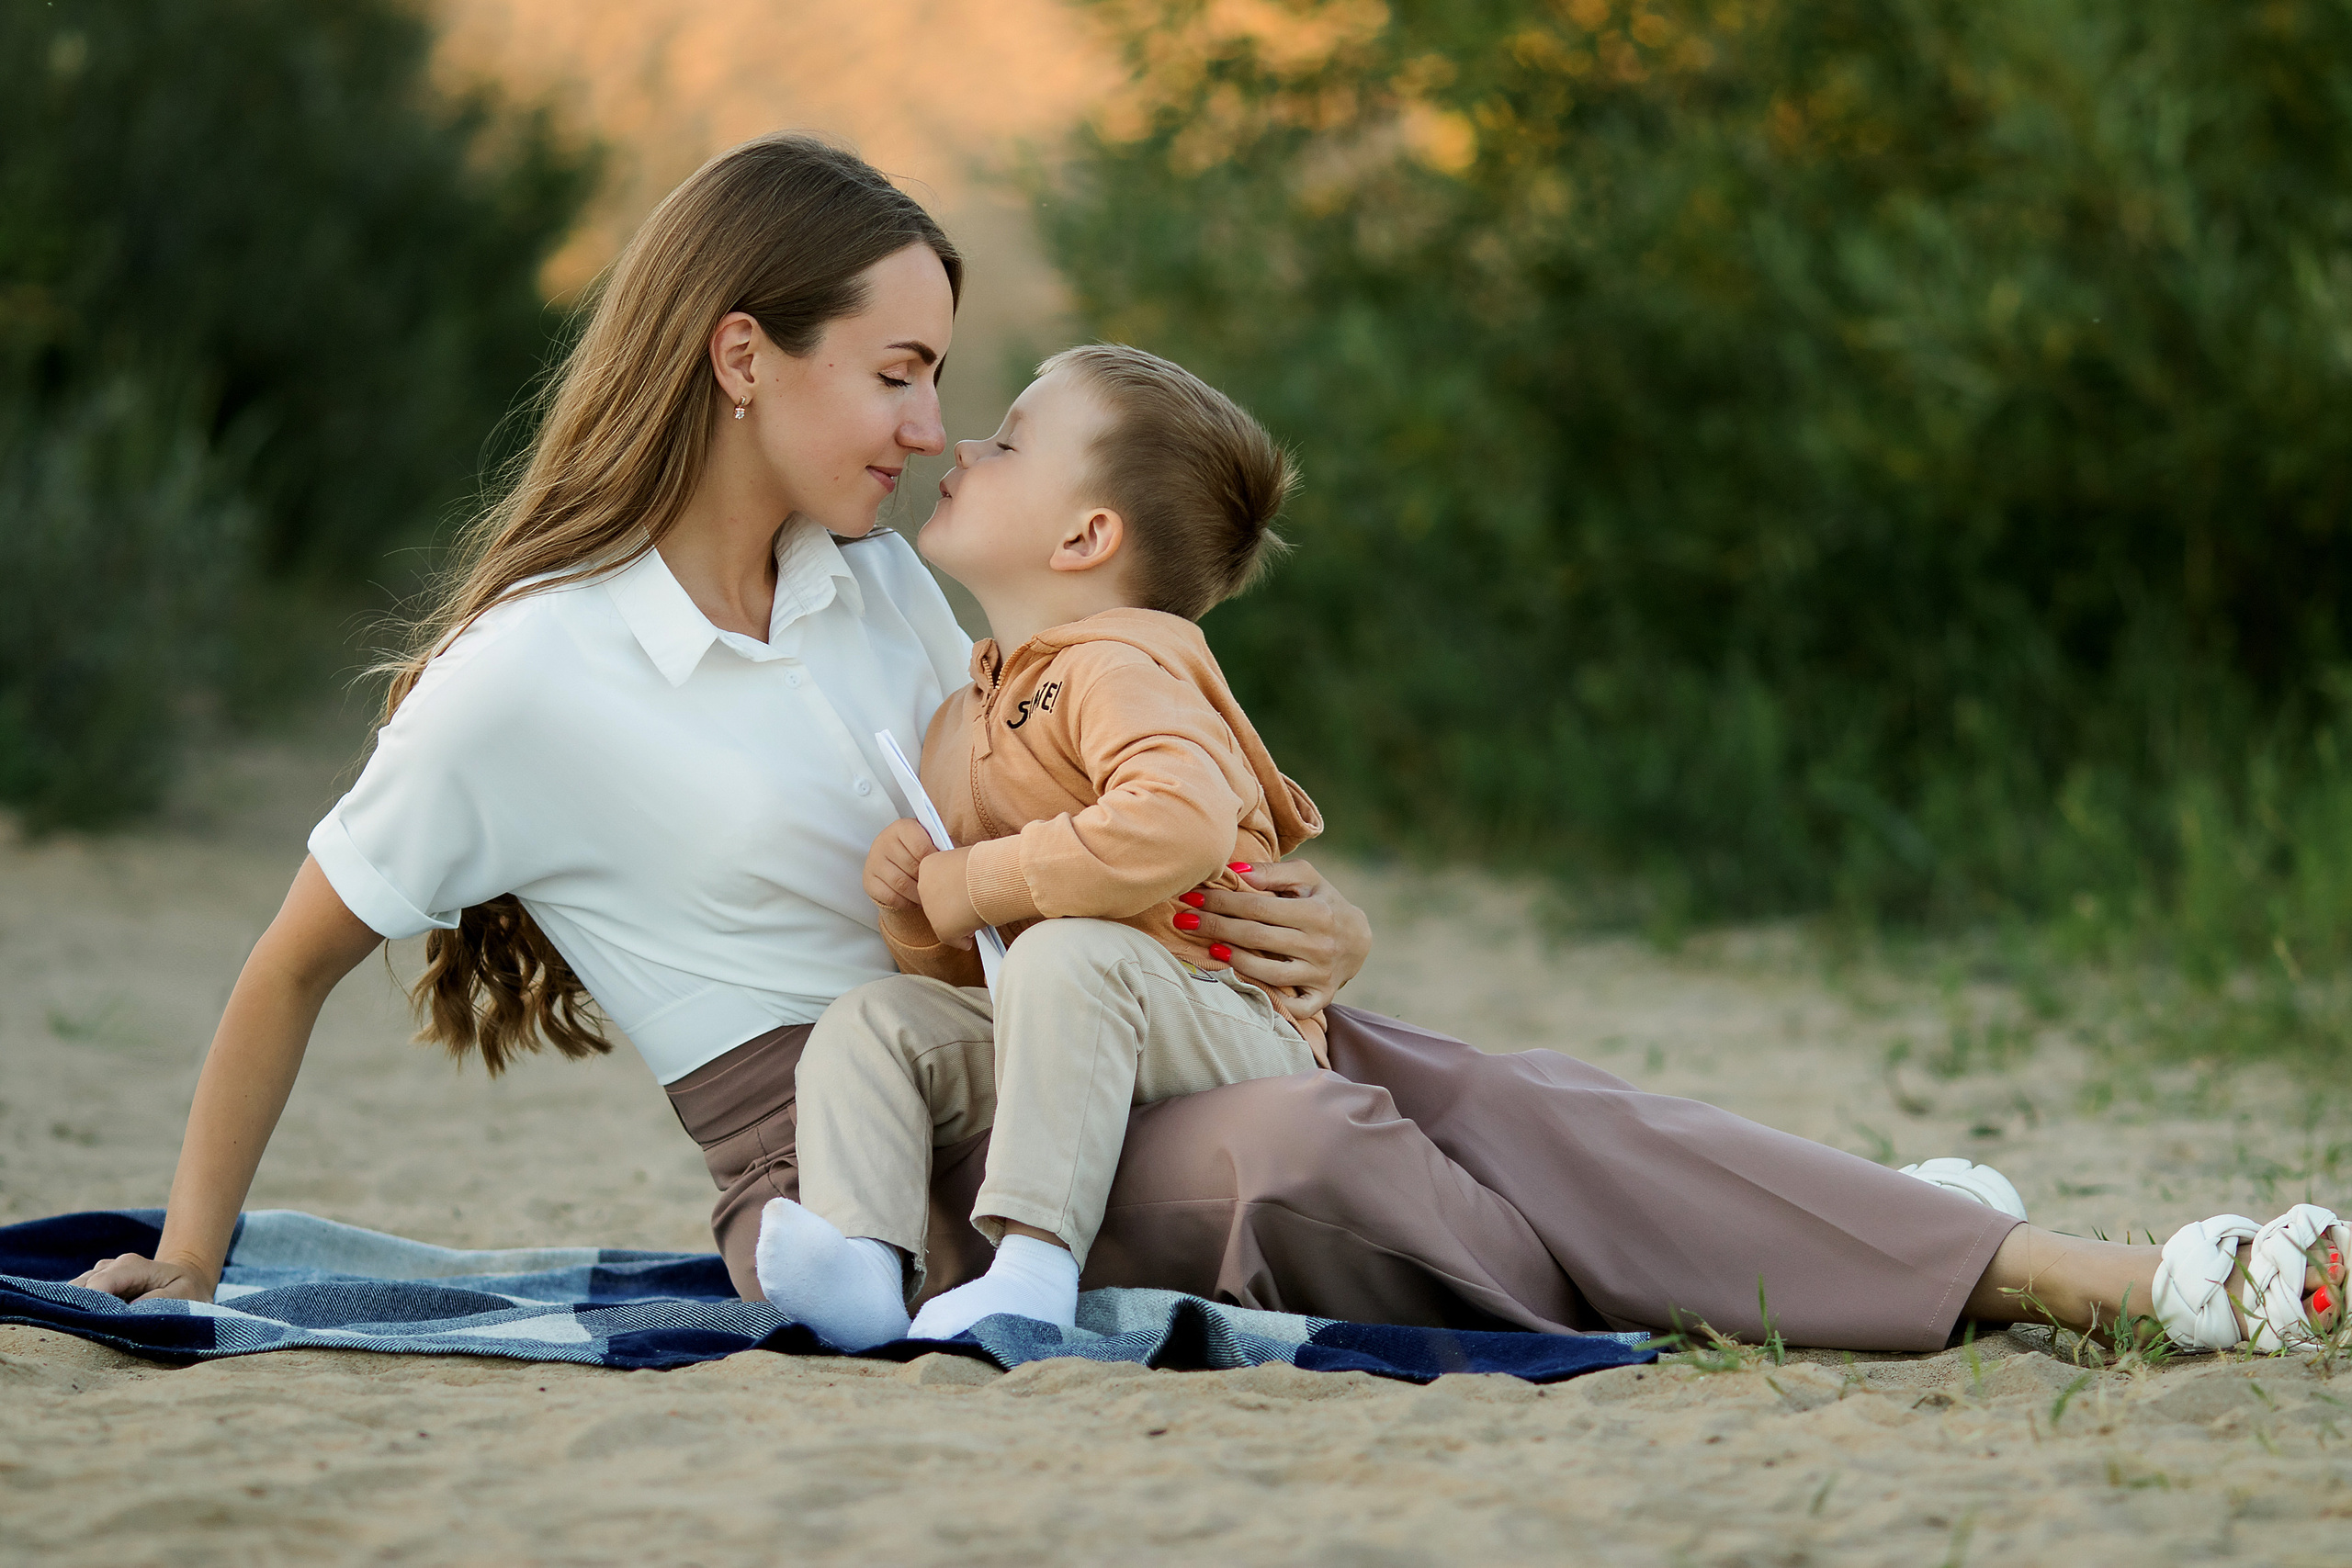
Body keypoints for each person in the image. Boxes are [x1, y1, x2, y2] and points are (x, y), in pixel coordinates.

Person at [65, 132, 2346, 1362]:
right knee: (1318, 1167)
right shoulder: (525, 677)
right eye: (897, 373)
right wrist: (193, 1247)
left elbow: (1120, 741)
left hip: (1109, 1004)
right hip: (893, 1144)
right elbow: (286, 960)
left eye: (951, 375)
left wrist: (1297, 895)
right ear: (738, 357)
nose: (932, 421)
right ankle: (1855, 1246)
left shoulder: (884, 578)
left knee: (1470, 1078)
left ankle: (2102, 1269)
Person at [756, 344, 1329, 1348]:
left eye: (1010, 441)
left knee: (1069, 952)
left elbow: (1179, 821)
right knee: (874, 1019)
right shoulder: (963, 716)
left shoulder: (1123, 663)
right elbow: (971, 958)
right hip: (1070, 1025)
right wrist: (914, 901)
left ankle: (1030, 1268)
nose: (965, 445)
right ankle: (863, 1261)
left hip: (1225, 1024)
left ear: (1085, 536)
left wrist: (966, 878)